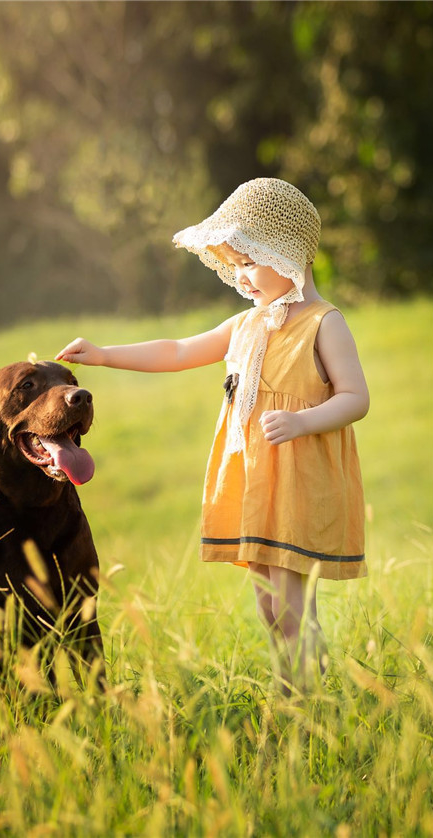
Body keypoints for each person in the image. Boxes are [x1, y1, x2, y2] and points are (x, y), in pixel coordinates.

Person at [56, 178, 369, 693]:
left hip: (298, 480)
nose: (241, 279)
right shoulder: (246, 325)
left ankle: (305, 708)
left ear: (286, 252)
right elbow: (177, 351)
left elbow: (355, 397)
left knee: (292, 609)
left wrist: (301, 421)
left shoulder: (323, 324)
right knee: (269, 606)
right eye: (235, 266)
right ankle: (290, 691)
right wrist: (105, 353)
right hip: (256, 481)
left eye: (249, 263)